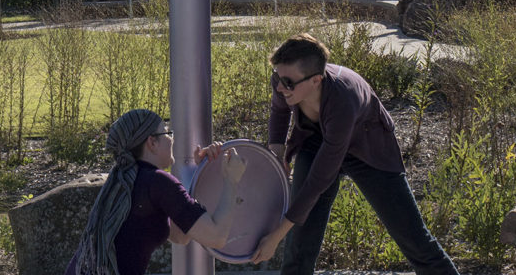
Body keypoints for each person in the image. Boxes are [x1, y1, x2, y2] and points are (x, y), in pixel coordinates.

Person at [252, 34, 460, 275]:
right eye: (277, 77)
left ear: (316, 80)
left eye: (287, 82)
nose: (279, 86)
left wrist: (276, 236)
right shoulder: (285, 80)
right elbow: (279, 111)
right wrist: (277, 154)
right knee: (299, 244)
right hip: (316, 139)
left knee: (414, 239)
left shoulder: (343, 99)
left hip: (367, 146)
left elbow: (317, 181)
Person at [65, 108, 246, 275]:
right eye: (167, 132)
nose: (171, 139)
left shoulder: (124, 180)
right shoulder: (157, 182)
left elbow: (181, 235)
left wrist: (202, 173)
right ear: (152, 142)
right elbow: (216, 237)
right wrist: (231, 180)